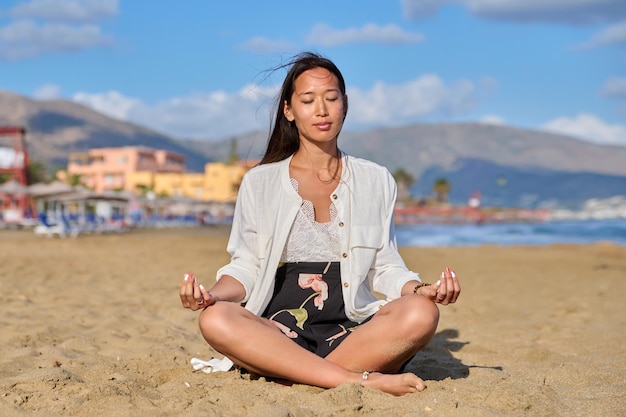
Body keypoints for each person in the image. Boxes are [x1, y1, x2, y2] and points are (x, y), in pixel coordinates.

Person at [179, 52, 461, 396]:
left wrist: (420, 289)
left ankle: (295, 372)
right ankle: (355, 379)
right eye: (308, 100)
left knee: (422, 313)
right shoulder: (260, 182)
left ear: (345, 103)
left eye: (331, 98)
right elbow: (247, 266)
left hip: (352, 329)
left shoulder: (376, 179)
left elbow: (385, 267)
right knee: (215, 319)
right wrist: (211, 295)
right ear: (289, 110)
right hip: (278, 329)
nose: (322, 110)